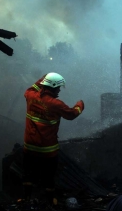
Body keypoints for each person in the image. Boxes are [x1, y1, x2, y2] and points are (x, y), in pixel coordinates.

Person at [22, 72, 84, 203]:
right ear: (54, 86)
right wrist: (80, 105)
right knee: (48, 177)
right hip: (47, 150)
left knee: (28, 173)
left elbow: (32, 88)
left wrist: (44, 78)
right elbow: (72, 114)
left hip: (29, 147)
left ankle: (26, 198)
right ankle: (49, 200)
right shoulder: (56, 104)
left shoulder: (30, 96)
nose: (59, 90)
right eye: (58, 87)